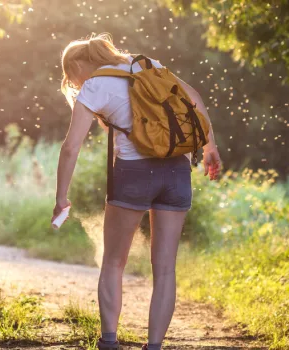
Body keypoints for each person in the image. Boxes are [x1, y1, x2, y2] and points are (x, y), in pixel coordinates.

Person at [52, 33, 222, 350]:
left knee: (114, 262)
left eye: (70, 75)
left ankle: (109, 342)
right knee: (165, 270)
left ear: (79, 64)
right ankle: (154, 345)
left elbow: (70, 148)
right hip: (176, 173)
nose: (72, 82)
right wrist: (211, 147)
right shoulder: (147, 65)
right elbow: (194, 96)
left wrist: (61, 197)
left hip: (133, 173)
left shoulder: (95, 85)